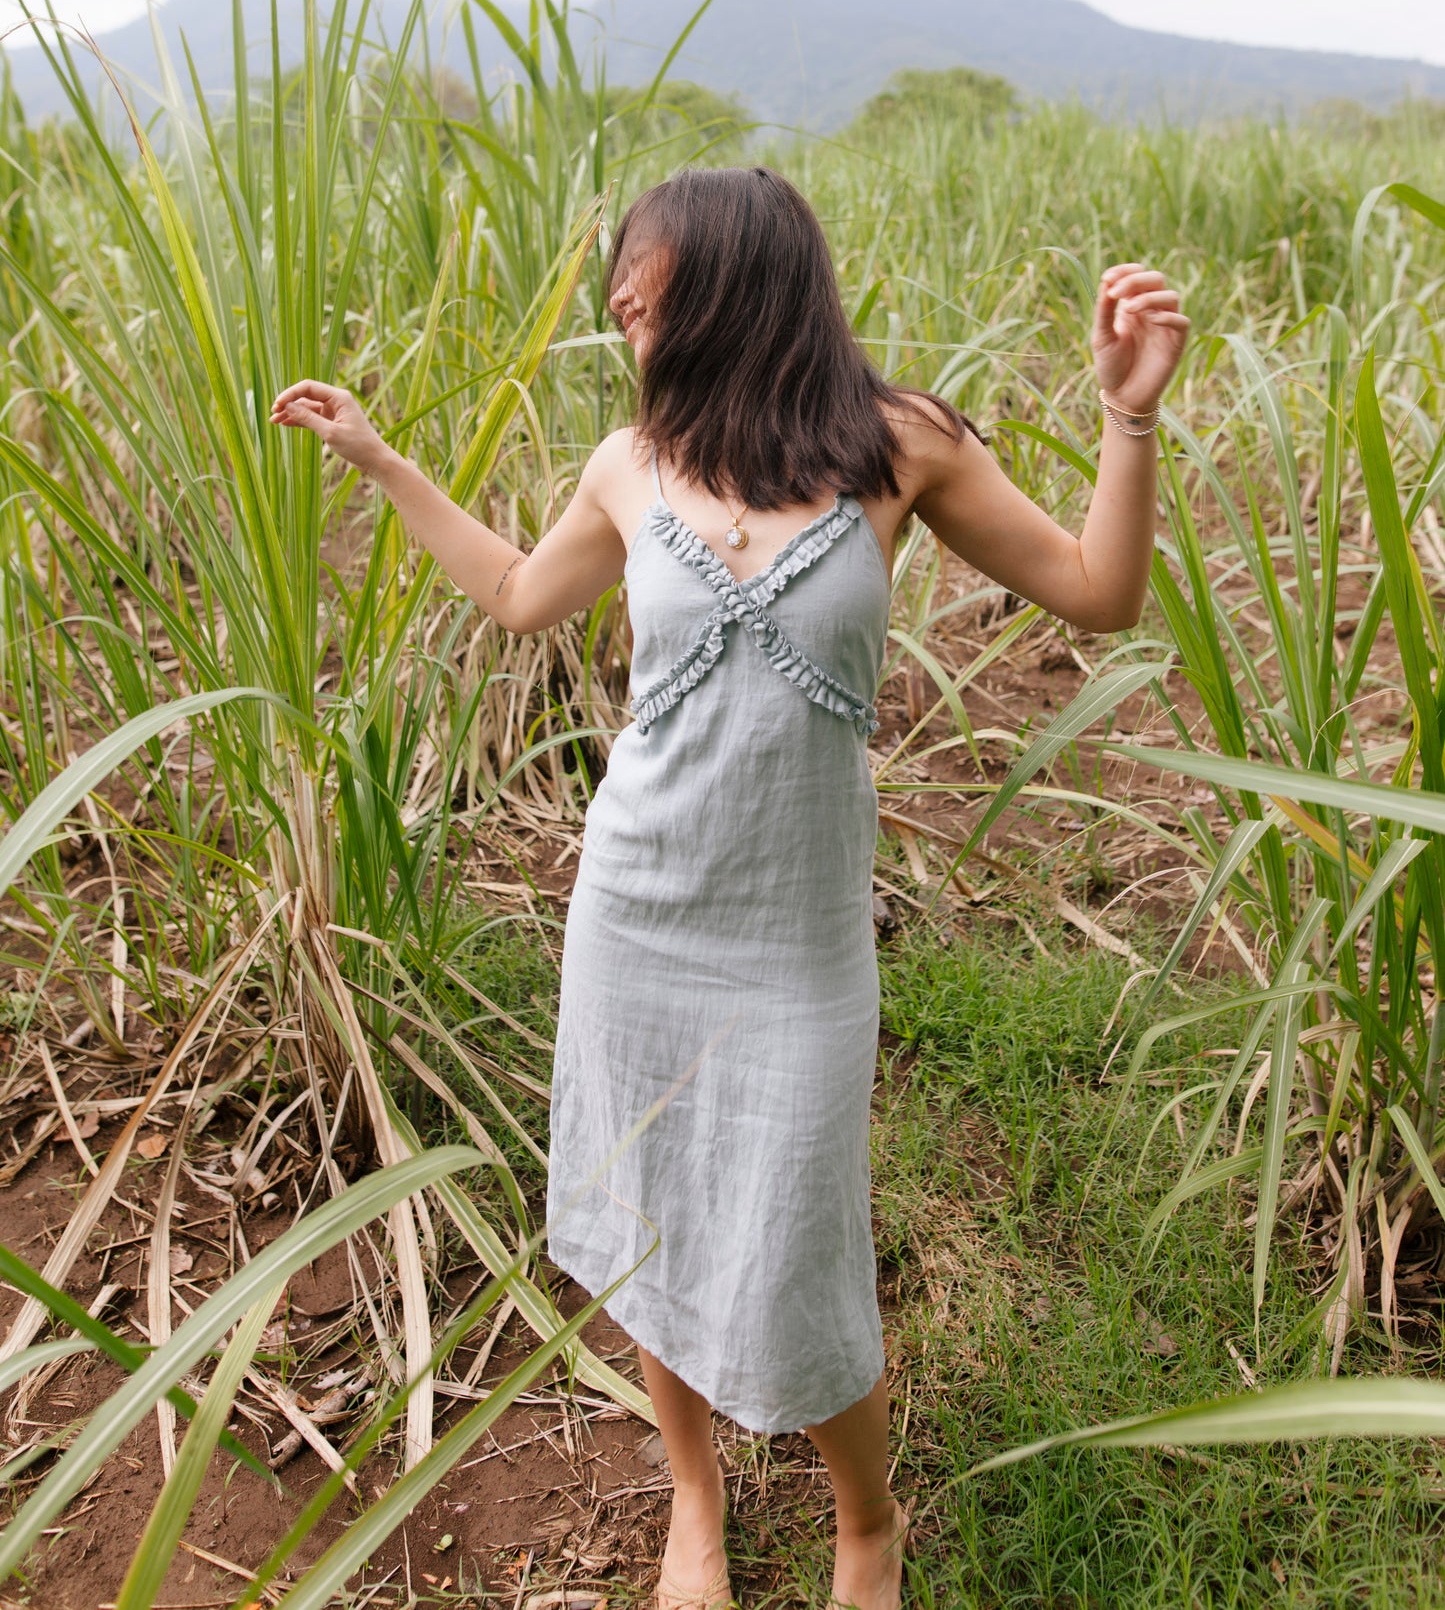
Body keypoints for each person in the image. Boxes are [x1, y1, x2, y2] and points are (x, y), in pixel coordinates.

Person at [271, 165, 1188, 1610]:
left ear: (739, 275)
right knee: (654, 1205)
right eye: (621, 292)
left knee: (799, 1232)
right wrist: (384, 460)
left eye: (646, 281)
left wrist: (1126, 414)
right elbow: (518, 594)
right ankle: (691, 1492)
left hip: (796, 941)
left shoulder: (900, 446)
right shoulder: (627, 462)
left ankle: (865, 1517)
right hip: (637, 910)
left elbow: (1098, 590)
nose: (624, 306)